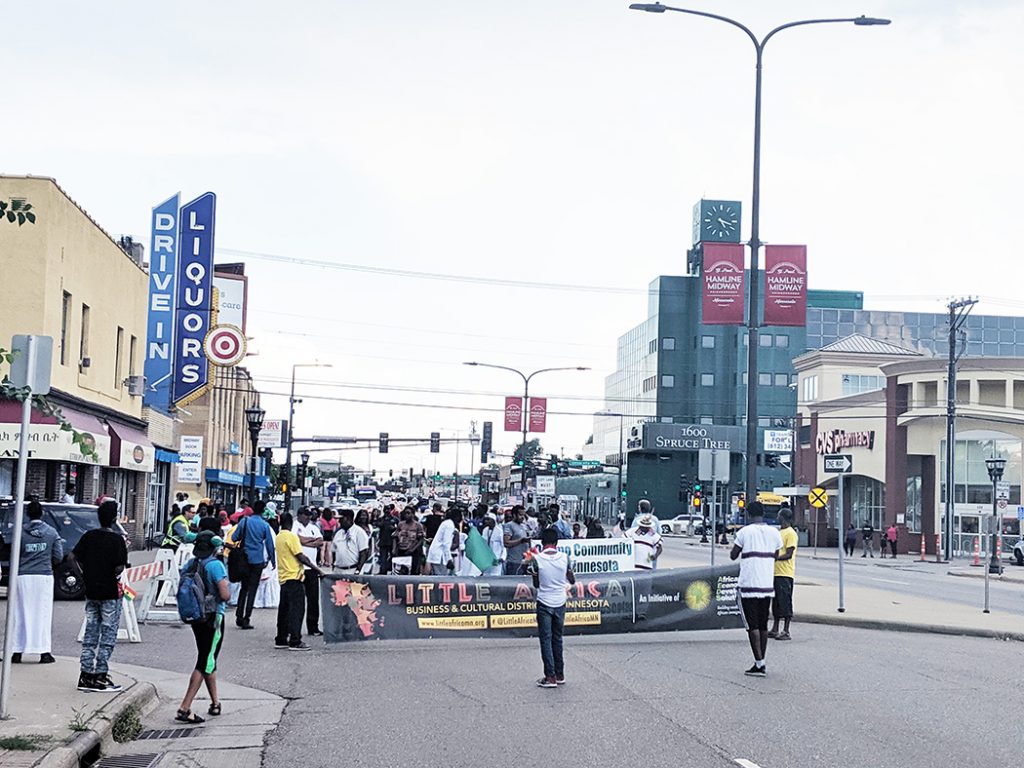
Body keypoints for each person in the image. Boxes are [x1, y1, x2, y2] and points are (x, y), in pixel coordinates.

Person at [71, 500, 129, 692]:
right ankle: (100, 675)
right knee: (108, 634)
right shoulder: (117, 540)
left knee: (91, 632)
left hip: (91, 591)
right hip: (109, 592)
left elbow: (73, 557)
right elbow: (119, 566)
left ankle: (85, 675)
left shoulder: (89, 536)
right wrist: (111, 573)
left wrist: (84, 575)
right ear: (114, 519)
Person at [175, 527, 231, 724]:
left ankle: (215, 703)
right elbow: (225, 595)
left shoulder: (190, 564)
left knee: (208, 658)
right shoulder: (215, 566)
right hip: (214, 617)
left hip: (196, 617)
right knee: (205, 661)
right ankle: (185, 707)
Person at [730, 501, 784, 678]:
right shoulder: (774, 533)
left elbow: (733, 555)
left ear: (748, 514)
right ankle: (761, 661)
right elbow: (776, 554)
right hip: (766, 584)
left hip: (748, 585)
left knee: (751, 625)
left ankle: (759, 663)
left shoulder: (744, 532)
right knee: (763, 624)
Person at [10, 499, 63, 664]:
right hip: (43, 576)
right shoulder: (52, 533)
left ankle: (17, 651)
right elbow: (58, 556)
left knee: (19, 613)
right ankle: (43, 651)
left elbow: (14, 554)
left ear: (27, 514)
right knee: (43, 613)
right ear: (42, 514)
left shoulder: (20, 532)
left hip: (23, 576)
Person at [529, 527, 575, 688]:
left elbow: (536, 584)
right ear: (556, 542)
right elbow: (572, 580)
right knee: (558, 638)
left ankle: (550, 677)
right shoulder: (565, 557)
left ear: (542, 543)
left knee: (546, 640)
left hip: (544, 601)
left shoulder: (536, 559)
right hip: (560, 601)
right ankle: (560, 673)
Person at [274, 512, 322, 651]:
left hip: (284, 577)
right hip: (295, 576)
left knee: (284, 610)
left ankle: (281, 638)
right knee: (297, 610)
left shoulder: (279, 537)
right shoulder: (291, 536)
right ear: (291, 522)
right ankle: (295, 640)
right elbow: (301, 556)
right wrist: (317, 569)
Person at [231, 500, 276, 630]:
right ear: (263, 511)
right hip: (257, 561)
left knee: (243, 588)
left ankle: (239, 615)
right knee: (252, 590)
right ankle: (247, 618)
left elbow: (234, 538)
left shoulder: (244, 521)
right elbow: (269, 545)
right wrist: (272, 561)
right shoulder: (265, 525)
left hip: (244, 559)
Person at [293, 508, 324, 637]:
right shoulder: (295, 526)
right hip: (299, 568)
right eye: (305, 515)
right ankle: (295, 628)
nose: (307, 518)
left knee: (313, 599)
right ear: (299, 515)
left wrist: (306, 541)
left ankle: (313, 627)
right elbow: (296, 540)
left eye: (309, 515)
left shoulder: (313, 527)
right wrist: (311, 541)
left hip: (312, 568)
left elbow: (320, 541)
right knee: (297, 601)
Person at [768, 508, 798, 641]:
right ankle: (775, 628)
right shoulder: (779, 532)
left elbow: (789, 554)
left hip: (785, 573)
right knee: (776, 603)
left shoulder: (791, 534)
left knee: (785, 601)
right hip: (775, 572)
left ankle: (786, 630)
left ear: (784, 518)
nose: (777, 517)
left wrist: (775, 558)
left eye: (779, 516)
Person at [426, 508, 461, 575]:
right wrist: (449, 559)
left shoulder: (446, 523)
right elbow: (446, 543)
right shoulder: (449, 525)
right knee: (441, 577)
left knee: (437, 576)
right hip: (440, 555)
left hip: (437, 553)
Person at [393, 506, 425, 575]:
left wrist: (413, 549)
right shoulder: (401, 524)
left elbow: (421, 540)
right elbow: (395, 537)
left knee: (413, 571)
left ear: (413, 514)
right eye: (405, 513)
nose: (406, 515)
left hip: (413, 552)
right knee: (401, 570)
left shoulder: (418, 525)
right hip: (401, 550)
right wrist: (394, 549)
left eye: (408, 513)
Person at [503, 507, 531, 576]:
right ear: (514, 515)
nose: (522, 517)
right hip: (514, 562)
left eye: (524, 515)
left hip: (525, 561)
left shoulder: (524, 526)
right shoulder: (509, 525)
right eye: (520, 515)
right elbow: (506, 543)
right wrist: (521, 541)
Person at [482, 512, 506, 576]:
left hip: (496, 559)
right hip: (486, 559)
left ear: (493, 520)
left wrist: (502, 557)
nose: (486, 521)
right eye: (485, 519)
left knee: (495, 576)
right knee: (485, 576)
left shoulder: (499, 531)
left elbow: (504, 546)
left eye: (488, 519)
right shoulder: (485, 530)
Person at [377, 506, 397, 575]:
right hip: (383, 541)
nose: (387, 511)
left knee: (393, 558)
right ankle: (383, 571)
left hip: (392, 542)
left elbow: (399, 528)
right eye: (386, 509)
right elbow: (377, 525)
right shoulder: (381, 519)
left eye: (388, 509)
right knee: (383, 558)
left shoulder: (394, 519)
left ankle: (392, 571)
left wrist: (394, 528)